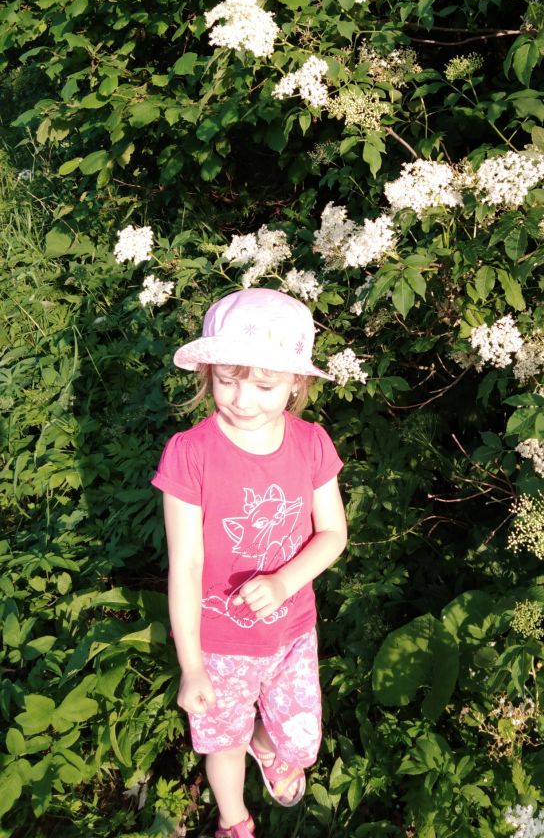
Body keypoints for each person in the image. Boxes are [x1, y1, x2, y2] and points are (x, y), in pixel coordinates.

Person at [152, 288, 347, 838]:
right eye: (226, 380)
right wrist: (191, 664)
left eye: (264, 385)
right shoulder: (189, 453)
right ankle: (233, 819)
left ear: (296, 383)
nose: (242, 400)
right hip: (218, 643)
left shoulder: (311, 444)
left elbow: (334, 534)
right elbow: (186, 566)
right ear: (208, 372)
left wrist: (284, 582)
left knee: (302, 746)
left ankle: (268, 743)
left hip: (291, 631)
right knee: (222, 740)